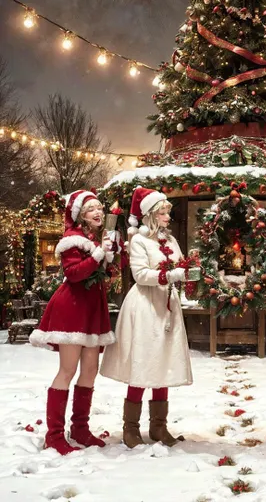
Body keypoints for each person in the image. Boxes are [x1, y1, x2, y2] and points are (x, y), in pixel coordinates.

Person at [100, 187, 193, 448]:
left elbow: (179, 264)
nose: (167, 216)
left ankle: (159, 428)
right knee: (143, 361)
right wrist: (167, 276)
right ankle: (131, 428)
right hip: (145, 307)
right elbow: (140, 274)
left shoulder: (171, 241)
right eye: (163, 212)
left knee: (162, 362)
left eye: (167, 211)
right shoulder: (139, 241)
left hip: (166, 305)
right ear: (151, 215)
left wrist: (188, 272)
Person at [30, 190, 116, 455]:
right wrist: (98, 256)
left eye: (100, 207)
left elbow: (103, 274)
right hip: (72, 308)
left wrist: (111, 259)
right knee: (67, 370)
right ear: (80, 215)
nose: (98, 212)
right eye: (91, 209)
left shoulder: (97, 239)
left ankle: (80, 428)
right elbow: (74, 274)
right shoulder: (71, 240)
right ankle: (54, 435)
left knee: (90, 370)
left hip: (92, 310)